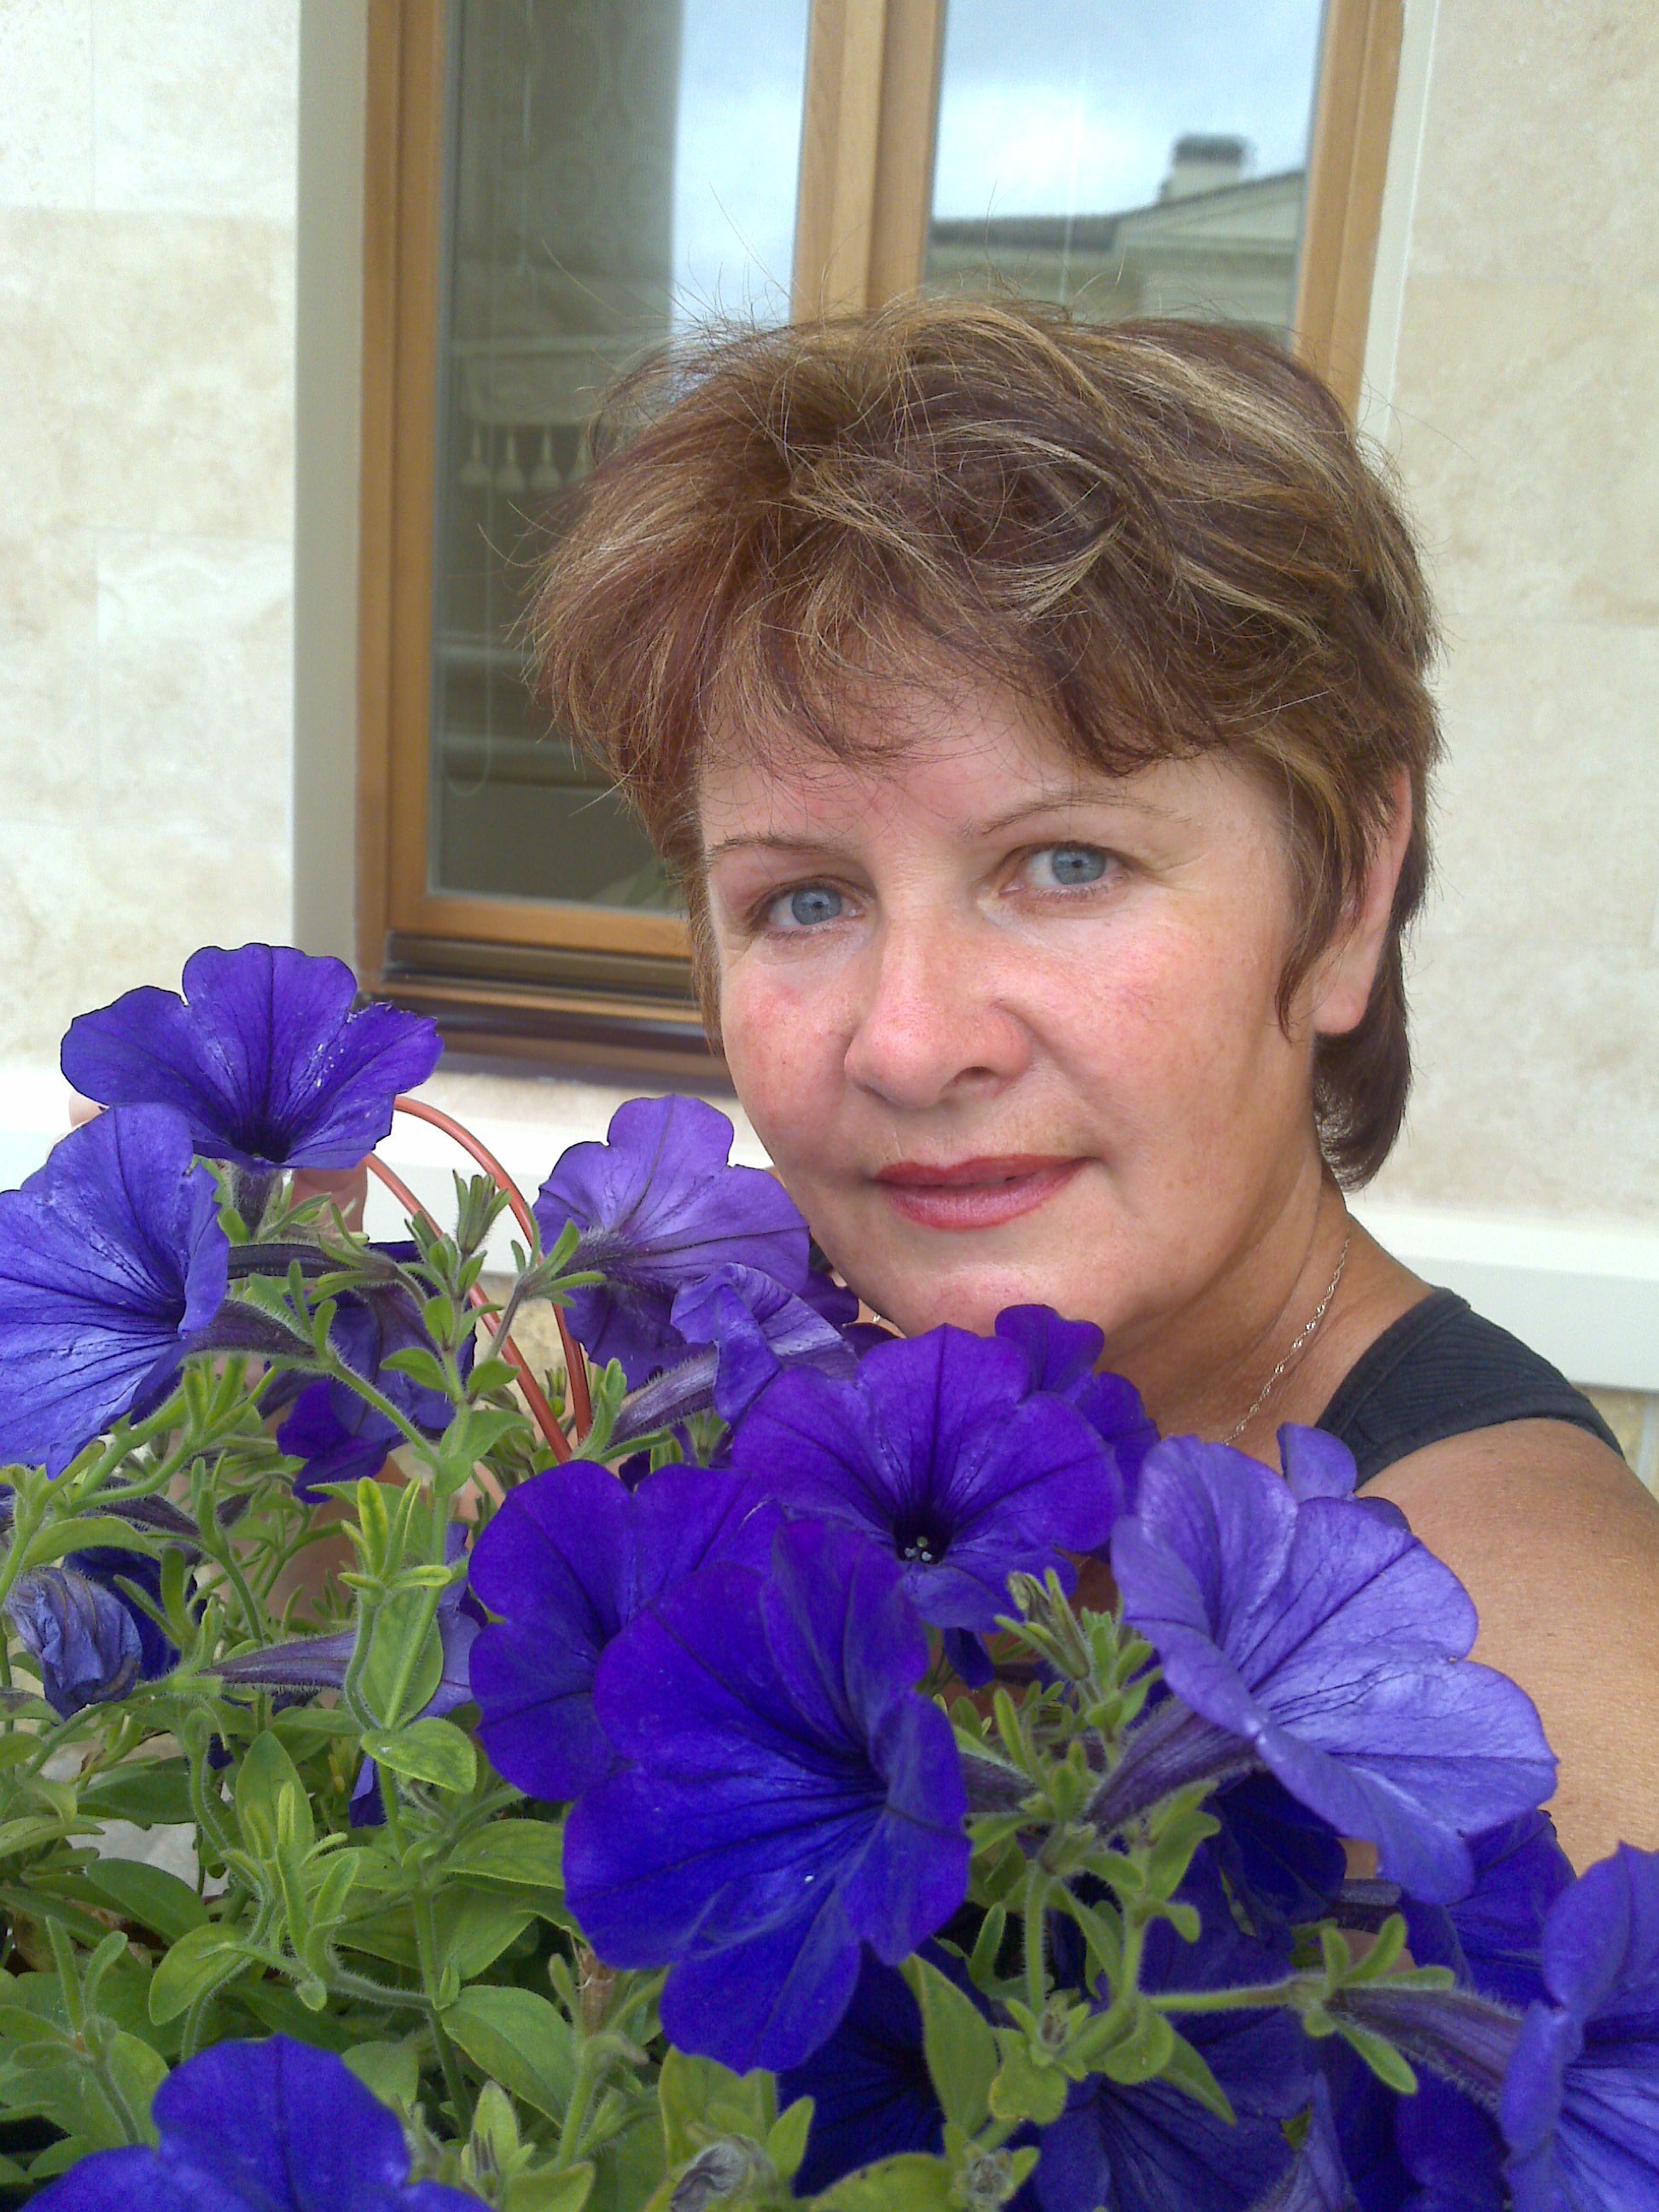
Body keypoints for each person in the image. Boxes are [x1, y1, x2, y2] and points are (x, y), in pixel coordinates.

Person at [529, 298, 1659, 1869]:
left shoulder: (1554, 1674)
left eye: (1066, 863)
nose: (910, 1041)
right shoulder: (819, 1413)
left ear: (1347, 890)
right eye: (804, 898)